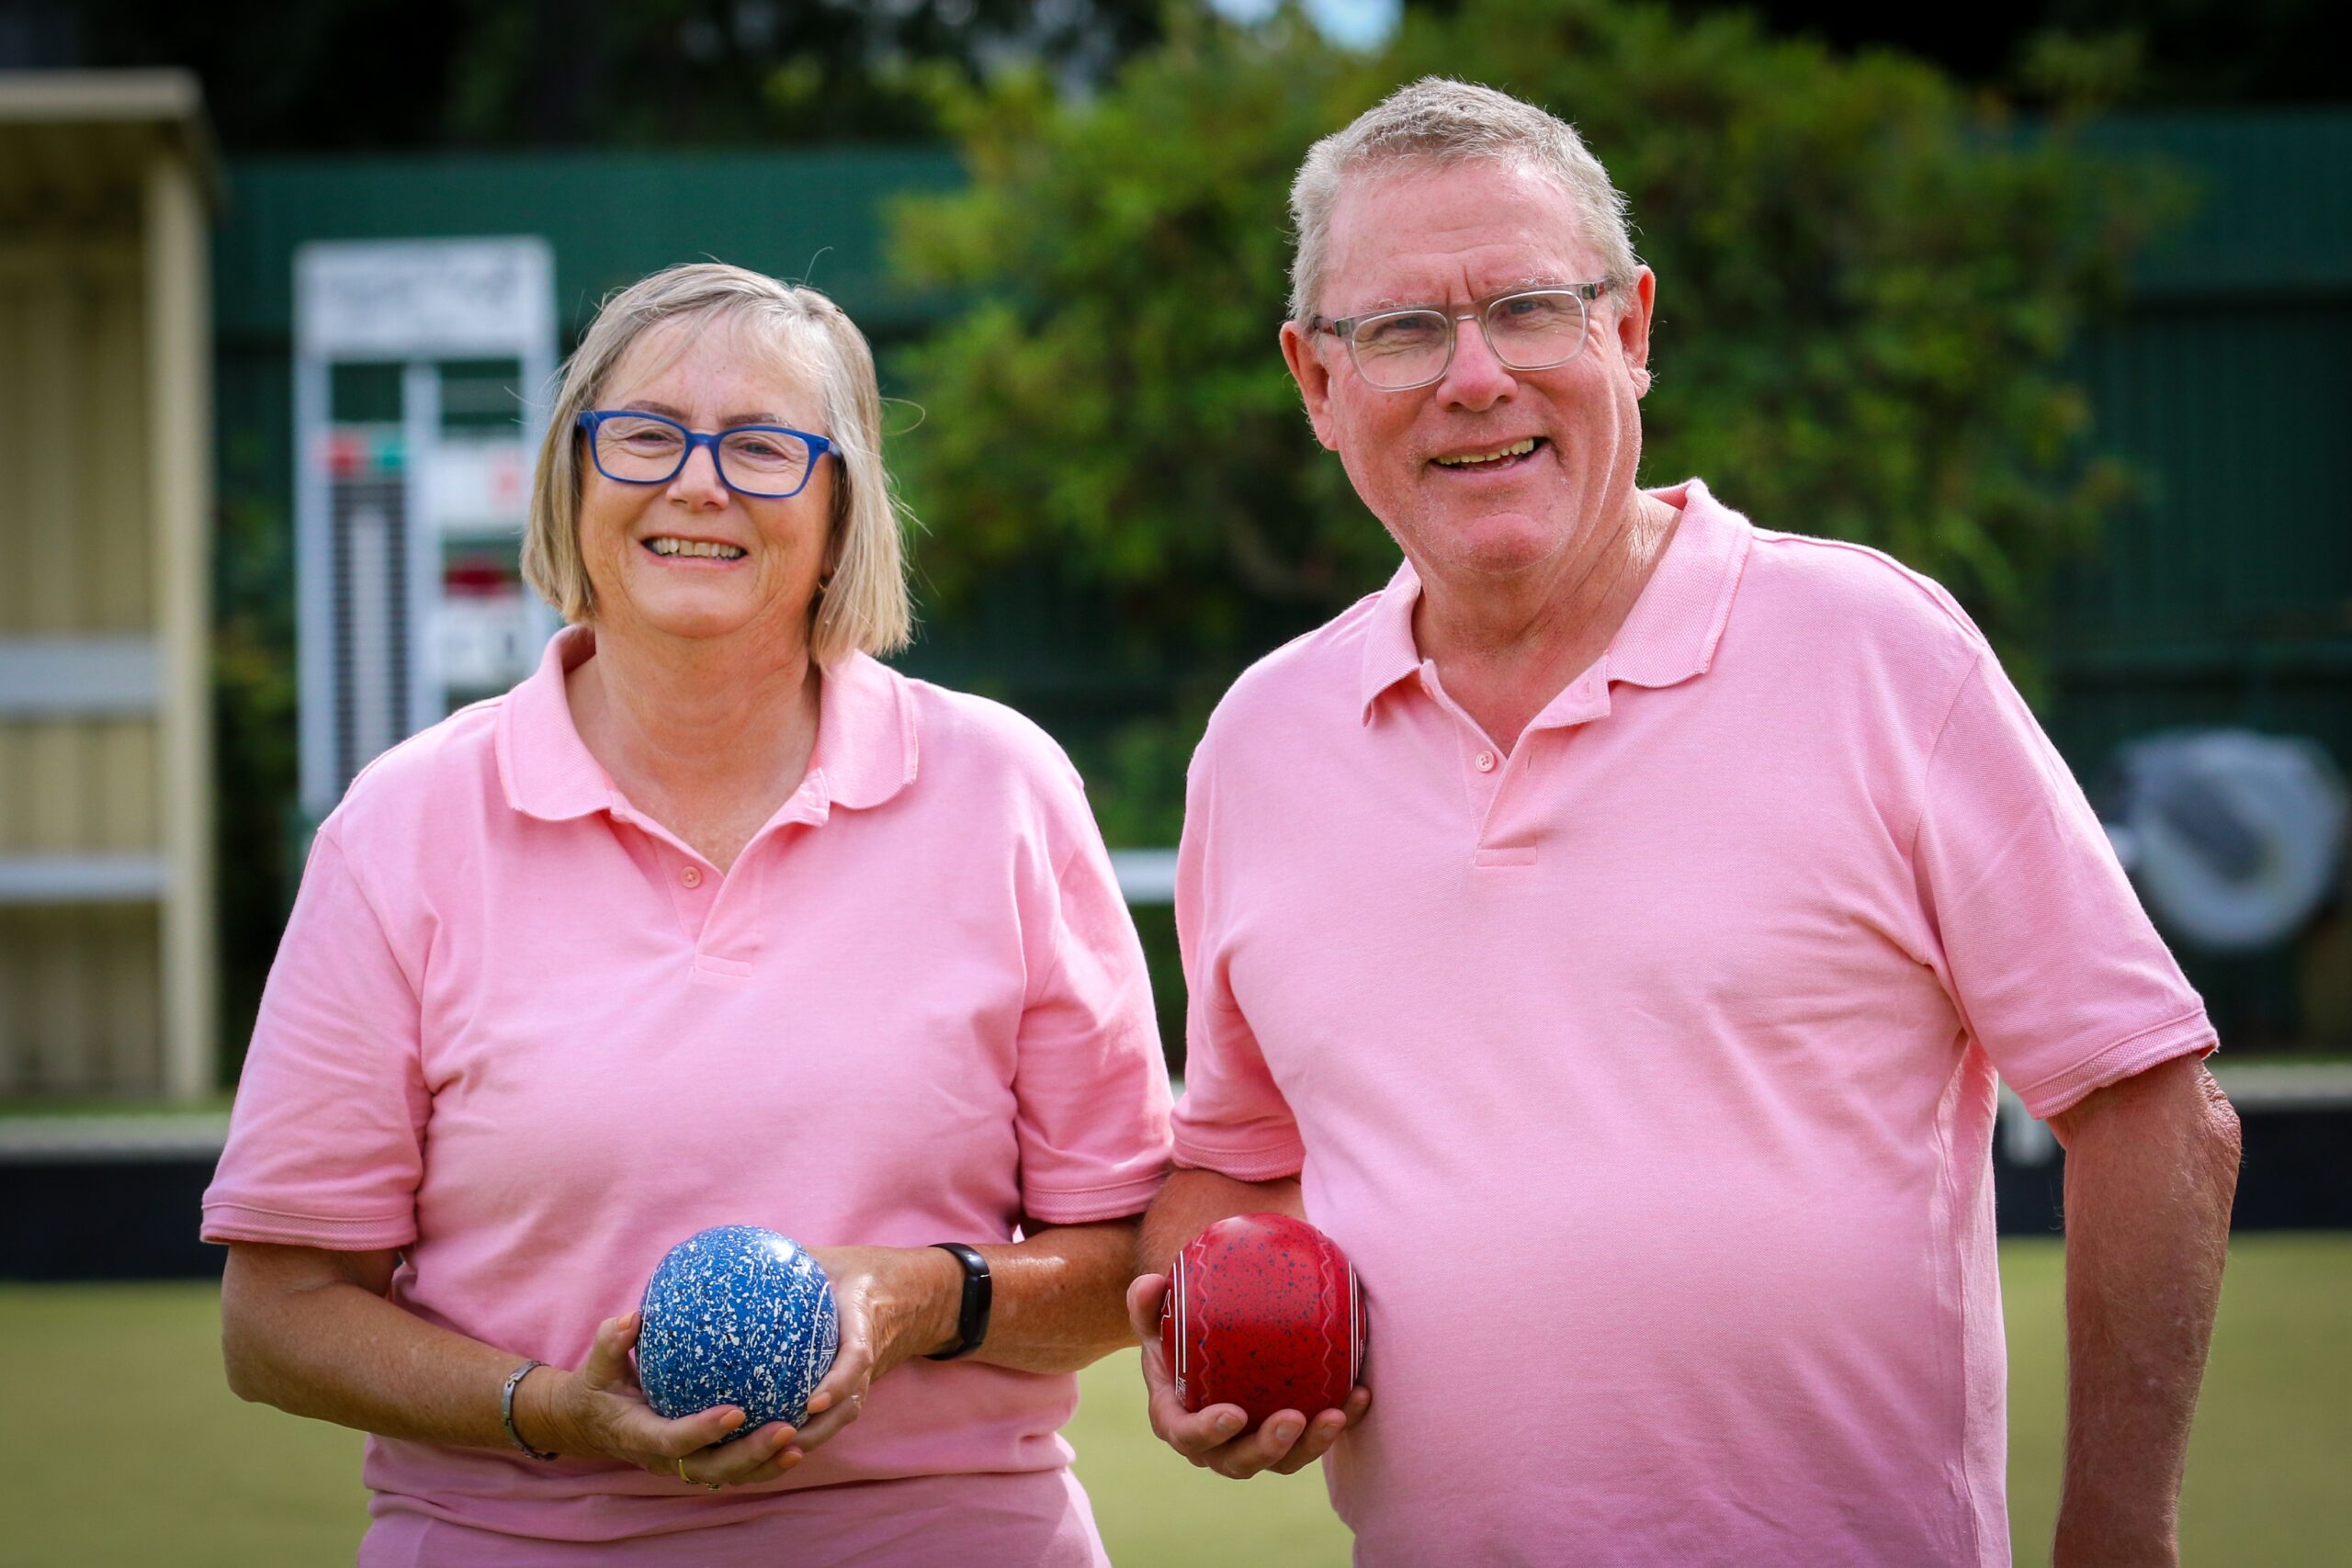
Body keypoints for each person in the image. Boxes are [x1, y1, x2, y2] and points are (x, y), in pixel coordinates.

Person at [1128, 78, 2241, 1567]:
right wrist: (1193, 1315)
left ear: (1632, 331)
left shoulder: (1876, 651)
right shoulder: (1261, 742)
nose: (1473, 378)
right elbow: (1234, 1158)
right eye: (1399, 330)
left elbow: (2154, 1106)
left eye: (1529, 308)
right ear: (1316, 385)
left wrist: (2116, 1535)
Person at [205, 262, 1171, 1566]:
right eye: (646, 435)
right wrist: (553, 1412)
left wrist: (922, 1298)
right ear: (574, 480)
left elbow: (1124, 1259)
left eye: (765, 447)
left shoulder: (1002, 789)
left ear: (840, 510)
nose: (699, 482)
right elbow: (278, 1319)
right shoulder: (404, 826)